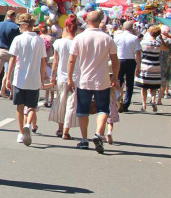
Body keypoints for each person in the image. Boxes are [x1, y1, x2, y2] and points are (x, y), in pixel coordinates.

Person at [66, 9, 120, 153]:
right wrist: (115, 76)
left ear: (86, 21)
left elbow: (71, 60)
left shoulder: (79, 38)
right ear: (100, 21)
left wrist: (70, 78)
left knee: (82, 110)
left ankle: (84, 140)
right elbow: (115, 61)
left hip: (84, 80)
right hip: (102, 79)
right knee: (103, 109)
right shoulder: (107, 38)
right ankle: (98, 134)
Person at [4, 13, 47, 146]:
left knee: (20, 106)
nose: (19, 27)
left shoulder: (18, 39)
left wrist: (8, 77)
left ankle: (21, 132)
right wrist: (42, 77)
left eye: (20, 25)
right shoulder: (39, 40)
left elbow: (12, 59)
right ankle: (28, 124)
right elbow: (43, 61)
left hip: (19, 78)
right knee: (32, 106)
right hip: (34, 79)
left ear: (26, 25)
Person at [49, 14, 79, 139]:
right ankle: (66, 131)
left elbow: (55, 61)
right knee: (71, 104)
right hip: (76, 76)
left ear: (65, 27)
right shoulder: (78, 42)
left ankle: (60, 128)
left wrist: (52, 76)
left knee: (61, 102)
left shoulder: (58, 43)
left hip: (61, 76)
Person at [0, 10, 20, 99]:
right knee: (11, 73)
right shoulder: (15, 27)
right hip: (11, 51)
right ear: (13, 16)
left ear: (6, 15)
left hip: (1, 49)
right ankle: (11, 93)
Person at [113, 21, 141, 112]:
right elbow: (138, 53)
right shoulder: (134, 38)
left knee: (118, 82)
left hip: (119, 60)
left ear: (123, 28)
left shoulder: (117, 37)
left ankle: (117, 101)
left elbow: (113, 50)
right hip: (130, 60)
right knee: (129, 83)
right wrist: (138, 66)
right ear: (132, 28)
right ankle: (126, 103)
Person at [137, 25, 164, 112]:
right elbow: (165, 48)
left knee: (144, 86)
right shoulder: (159, 44)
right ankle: (153, 100)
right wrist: (161, 39)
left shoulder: (143, 43)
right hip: (156, 65)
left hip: (145, 65)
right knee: (154, 86)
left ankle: (144, 105)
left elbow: (139, 53)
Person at [37, 22, 55, 108]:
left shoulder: (39, 38)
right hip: (49, 61)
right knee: (51, 83)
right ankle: (51, 101)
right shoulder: (50, 38)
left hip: (41, 60)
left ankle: (45, 100)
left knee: (43, 81)